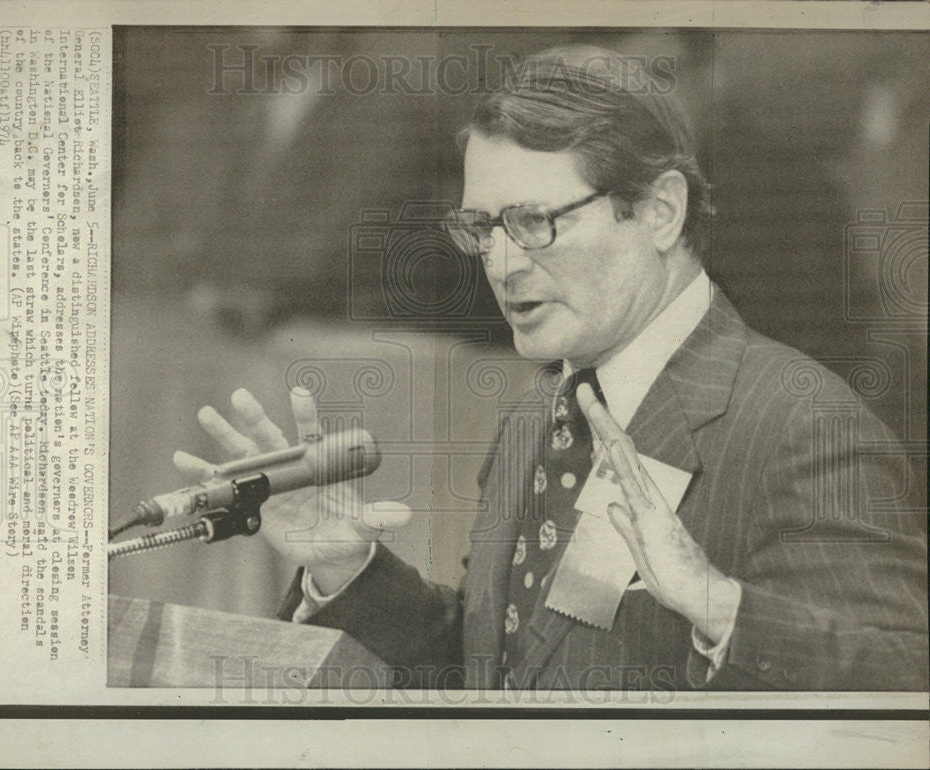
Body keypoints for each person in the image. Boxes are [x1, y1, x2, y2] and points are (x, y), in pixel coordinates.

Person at [174, 46, 928, 691]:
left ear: (660, 212)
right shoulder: (544, 410)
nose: (502, 264)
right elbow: (497, 677)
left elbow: (905, 681)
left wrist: (720, 607)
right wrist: (350, 571)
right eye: (482, 227)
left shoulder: (801, 422)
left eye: (535, 222)